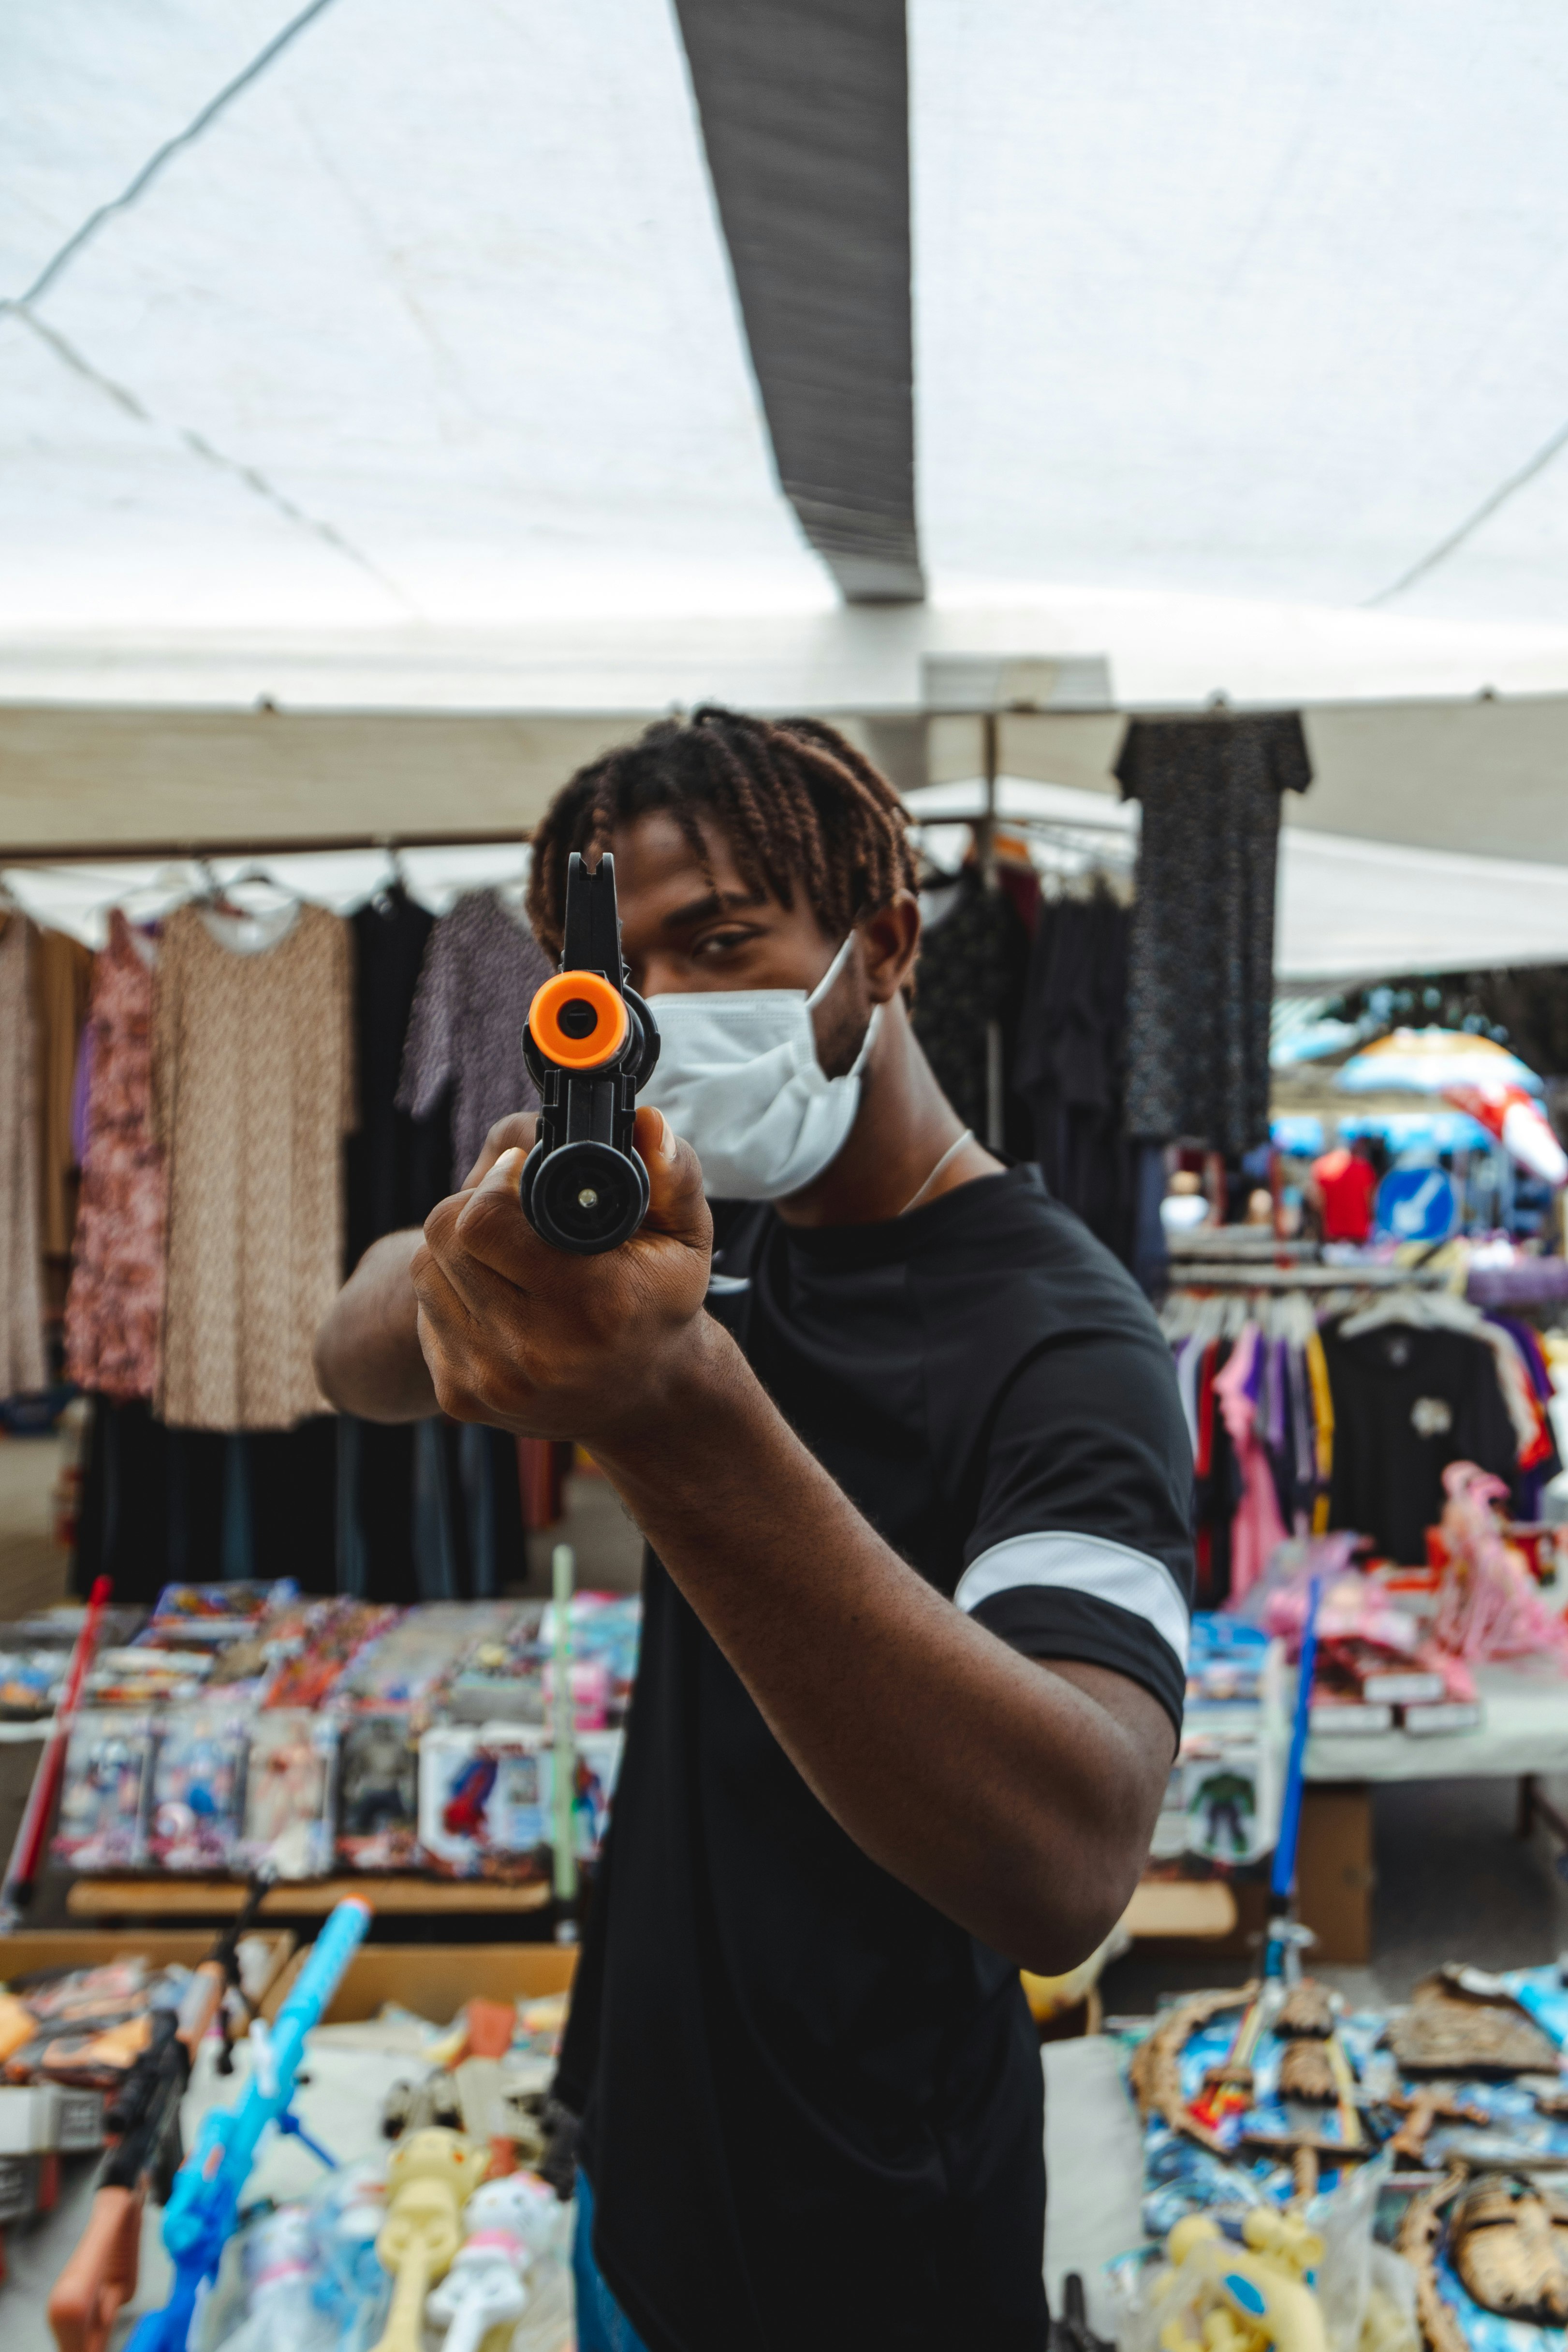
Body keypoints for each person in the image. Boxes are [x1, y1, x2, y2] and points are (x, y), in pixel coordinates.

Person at [315, 710, 1194, 2352]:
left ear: (880, 946)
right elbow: (348, 1350)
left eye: (721, 944)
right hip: (640, 2154)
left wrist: (671, 1408)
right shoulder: (700, 1241)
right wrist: (473, 1259)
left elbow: (1071, 1857)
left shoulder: (1065, 1335)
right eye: (627, 975)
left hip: (874, 2229)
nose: (671, 1012)